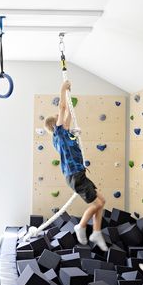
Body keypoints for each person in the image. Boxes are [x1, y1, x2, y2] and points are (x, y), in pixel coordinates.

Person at [44, 80, 107, 251]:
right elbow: (62, 109)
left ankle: (96, 231)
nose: (63, 120)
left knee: (102, 201)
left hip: (79, 173)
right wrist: (63, 89)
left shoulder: (66, 134)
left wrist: (70, 101)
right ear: (54, 125)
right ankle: (82, 226)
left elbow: (68, 114)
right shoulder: (58, 134)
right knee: (97, 204)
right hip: (74, 175)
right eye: (59, 120)